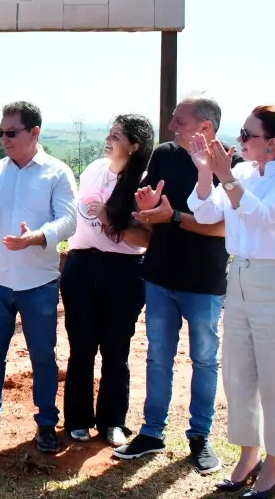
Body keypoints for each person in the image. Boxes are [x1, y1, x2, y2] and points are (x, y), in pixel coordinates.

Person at [112, 96, 241, 475]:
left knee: (204, 360)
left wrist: (173, 217)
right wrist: (146, 207)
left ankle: (200, 436)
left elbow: (224, 227)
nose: (171, 126)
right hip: (159, 275)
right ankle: (152, 433)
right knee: (158, 357)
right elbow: (151, 211)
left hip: (204, 281)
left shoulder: (230, 164)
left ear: (206, 127)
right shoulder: (164, 154)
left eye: (179, 120)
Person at [0, 101, 77, 453]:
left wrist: (36, 237)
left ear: (34, 132)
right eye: (1, 132)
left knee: (42, 355)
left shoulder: (57, 173)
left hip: (38, 281)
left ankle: (46, 423)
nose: (4, 139)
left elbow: (69, 220)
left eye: (11, 132)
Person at [187, 105, 275, 497]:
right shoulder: (241, 173)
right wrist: (205, 172)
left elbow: (262, 215)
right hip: (239, 275)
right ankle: (249, 454)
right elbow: (205, 212)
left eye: (248, 134)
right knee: (239, 372)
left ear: (272, 143)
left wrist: (226, 177)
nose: (239, 140)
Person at [61, 114, 154, 448]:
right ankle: (77, 419)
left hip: (124, 271)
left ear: (135, 146)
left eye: (117, 136)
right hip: (81, 264)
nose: (108, 139)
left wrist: (109, 217)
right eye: (110, 133)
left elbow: (147, 239)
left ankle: (112, 421)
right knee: (81, 346)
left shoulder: (144, 183)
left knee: (116, 349)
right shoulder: (94, 170)